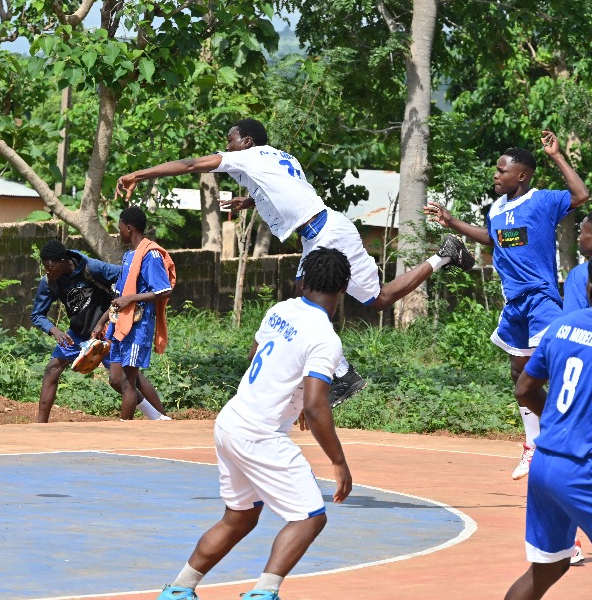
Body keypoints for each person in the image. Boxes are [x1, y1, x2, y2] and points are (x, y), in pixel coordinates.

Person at [116, 118, 476, 407]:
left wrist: (138, 174)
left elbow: (193, 164)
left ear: (246, 141)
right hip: (324, 229)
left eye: (230, 139)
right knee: (377, 300)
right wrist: (250, 202)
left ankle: (343, 375)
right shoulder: (279, 157)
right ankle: (445, 254)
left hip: (325, 235)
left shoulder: (247, 156)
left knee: (305, 304)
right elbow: (290, 193)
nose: (226, 146)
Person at [154, 248, 354, 600]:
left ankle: (178, 590)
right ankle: (263, 593)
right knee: (310, 517)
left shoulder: (281, 310)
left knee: (239, 518)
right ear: (343, 288)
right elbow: (316, 405)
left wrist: (296, 389)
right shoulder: (326, 338)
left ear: (302, 280)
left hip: (231, 422)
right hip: (260, 435)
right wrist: (339, 463)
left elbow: (255, 355)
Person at [425, 130, 590, 480]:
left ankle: (573, 438)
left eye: (502, 171)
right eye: (497, 170)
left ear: (522, 175)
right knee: (519, 375)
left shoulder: (542, 201)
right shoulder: (497, 208)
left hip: (541, 299)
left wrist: (557, 156)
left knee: (549, 370)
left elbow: (581, 195)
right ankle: (533, 445)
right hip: (514, 304)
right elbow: (493, 239)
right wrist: (451, 221)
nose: (496, 175)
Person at [505, 244, 592, 600]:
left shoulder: (561, 328)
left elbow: (524, 388)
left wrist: (557, 424)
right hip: (586, 469)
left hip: (545, 464)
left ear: (589, 288)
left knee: (547, 569)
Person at [33, 239, 171, 423]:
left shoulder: (91, 268)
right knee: (52, 369)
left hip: (106, 331)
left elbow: (126, 278)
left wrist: (123, 309)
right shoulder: (50, 282)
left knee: (128, 378)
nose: (47, 271)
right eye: (45, 267)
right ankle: (41, 425)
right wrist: (55, 331)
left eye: (50, 267)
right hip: (78, 333)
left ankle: (161, 418)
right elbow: (37, 315)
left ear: (63, 261)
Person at [93, 206, 175, 421]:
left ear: (129, 228)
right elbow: (120, 295)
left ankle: (125, 427)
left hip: (138, 326)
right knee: (115, 379)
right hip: (120, 324)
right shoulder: (130, 256)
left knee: (129, 382)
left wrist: (132, 298)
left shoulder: (151, 255)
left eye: (119, 228)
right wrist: (102, 322)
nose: (118, 232)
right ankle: (157, 417)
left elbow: (164, 289)